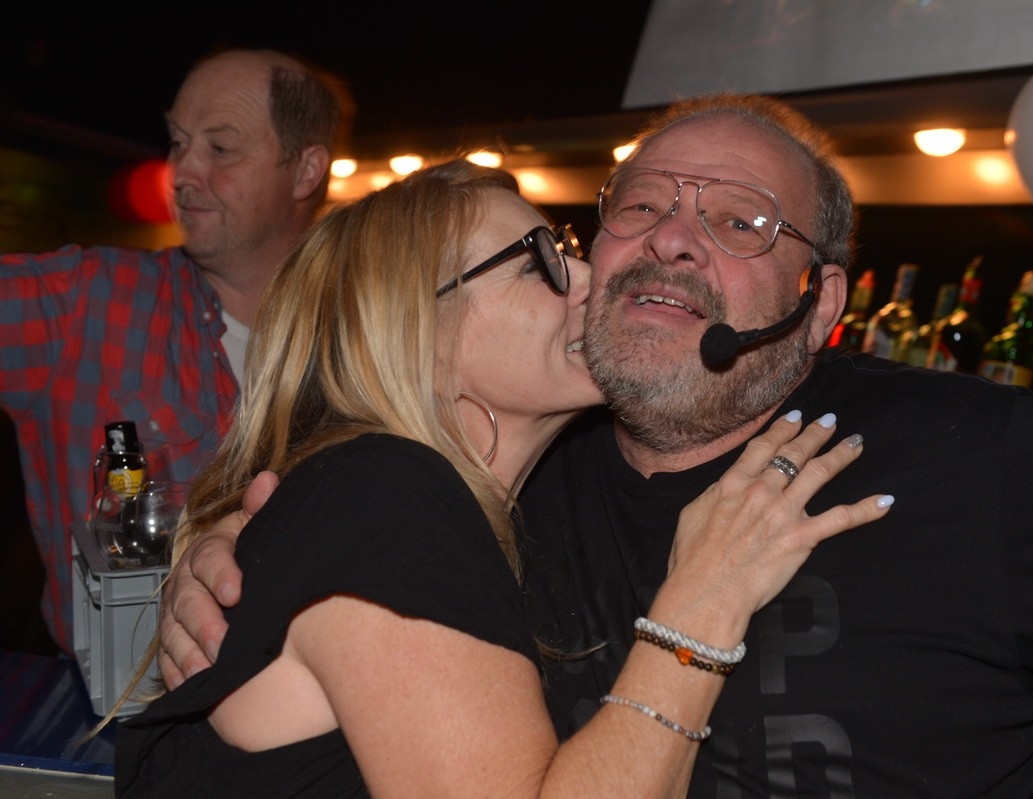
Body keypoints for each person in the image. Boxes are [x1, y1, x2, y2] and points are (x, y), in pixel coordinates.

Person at [161, 94, 1033, 796]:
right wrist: (223, 562)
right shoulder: (496, 481)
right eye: (643, 204)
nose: (672, 236)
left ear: (821, 302)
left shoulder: (982, 455)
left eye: (744, 222)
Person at [111, 159, 892, 796]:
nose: (589, 277)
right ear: (415, 326)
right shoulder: (387, 496)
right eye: (537, 263)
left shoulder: (449, 503)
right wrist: (703, 606)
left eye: (571, 249)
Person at [0, 47, 351, 651]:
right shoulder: (89, 302)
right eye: (178, 143)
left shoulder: (371, 337)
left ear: (305, 171)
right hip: (121, 701)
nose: (182, 172)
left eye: (220, 148)